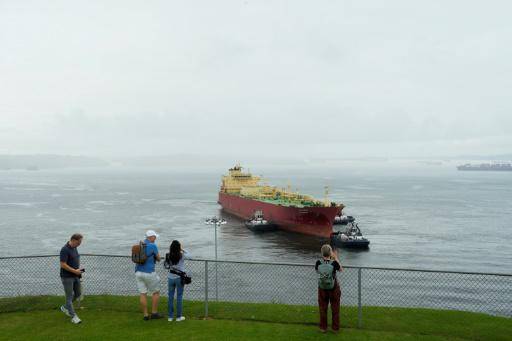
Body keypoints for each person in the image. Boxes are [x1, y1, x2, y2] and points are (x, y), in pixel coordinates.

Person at [135, 230, 162, 320]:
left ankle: (145, 315)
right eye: (155, 237)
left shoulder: (140, 245)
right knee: (155, 292)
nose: (155, 238)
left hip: (138, 272)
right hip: (149, 272)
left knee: (143, 293)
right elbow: (158, 259)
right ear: (151, 237)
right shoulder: (152, 245)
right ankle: (154, 313)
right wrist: (156, 257)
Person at [315, 244, 343, 333]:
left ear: (322, 253)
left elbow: (317, 270)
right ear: (330, 253)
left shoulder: (318, 262)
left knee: (323, 308)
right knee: (335, 308)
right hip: (333, 288)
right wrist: (336, 258)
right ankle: (335, 329)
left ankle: (323, 328)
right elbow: (341, 269)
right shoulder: (334, 263)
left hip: (322, 287)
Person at [59, 233, 84, 324]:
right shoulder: (64, 249)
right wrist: (75, 271)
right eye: (79, 242)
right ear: (73, 240)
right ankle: (74, 317)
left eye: (80, 242)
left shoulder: (74, 248)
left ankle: (65, 307)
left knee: (78, 293)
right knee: (69, 297)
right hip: (67, 277)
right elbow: (63, 264)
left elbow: (74, 259)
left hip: (75, 275)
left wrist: (78, 270)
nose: (80, 244)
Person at [164, 240, 190, 322]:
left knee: (170, 297)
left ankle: (170, 317)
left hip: (170, 278)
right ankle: (179, 317)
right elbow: (190, 256)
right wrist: (183, 250)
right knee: (179, 297)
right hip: (179, 278)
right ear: (179, 248)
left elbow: (165, 266)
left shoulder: (168, 255)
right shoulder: (181, 255)